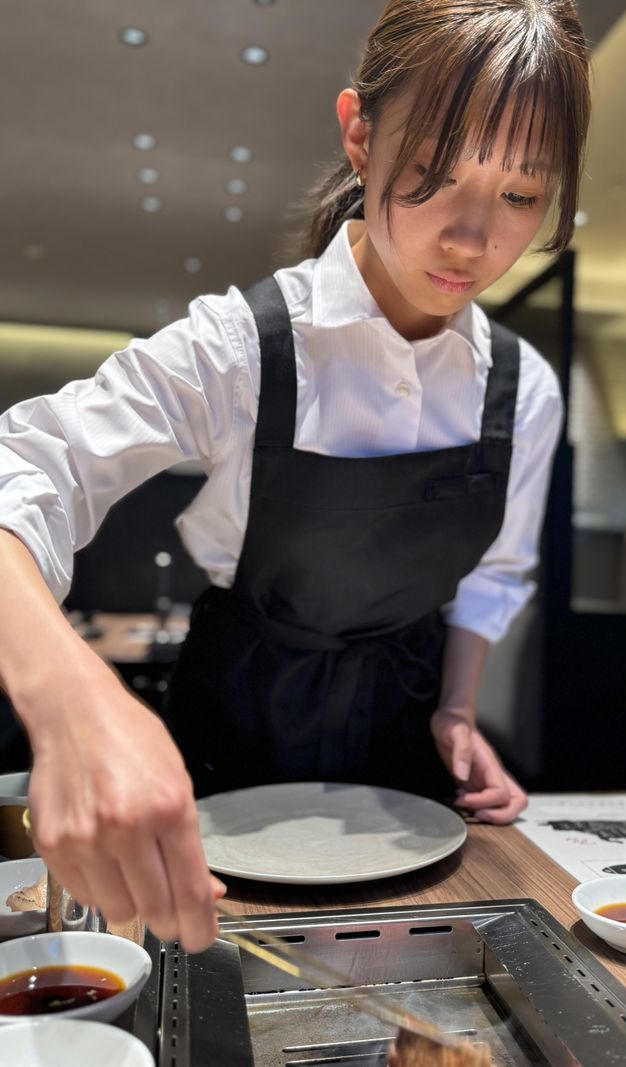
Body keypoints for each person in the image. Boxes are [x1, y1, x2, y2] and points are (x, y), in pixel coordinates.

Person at [0, 0, 590, 952]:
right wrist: (72, 697)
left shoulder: (524, 390)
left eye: (522, 195)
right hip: (230, 725)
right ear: (360, 136)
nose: (475, 239)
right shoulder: (242, 347)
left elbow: (494, 573)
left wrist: (455, 708)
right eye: (437, 173)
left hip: (405, 753)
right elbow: (24, 465)